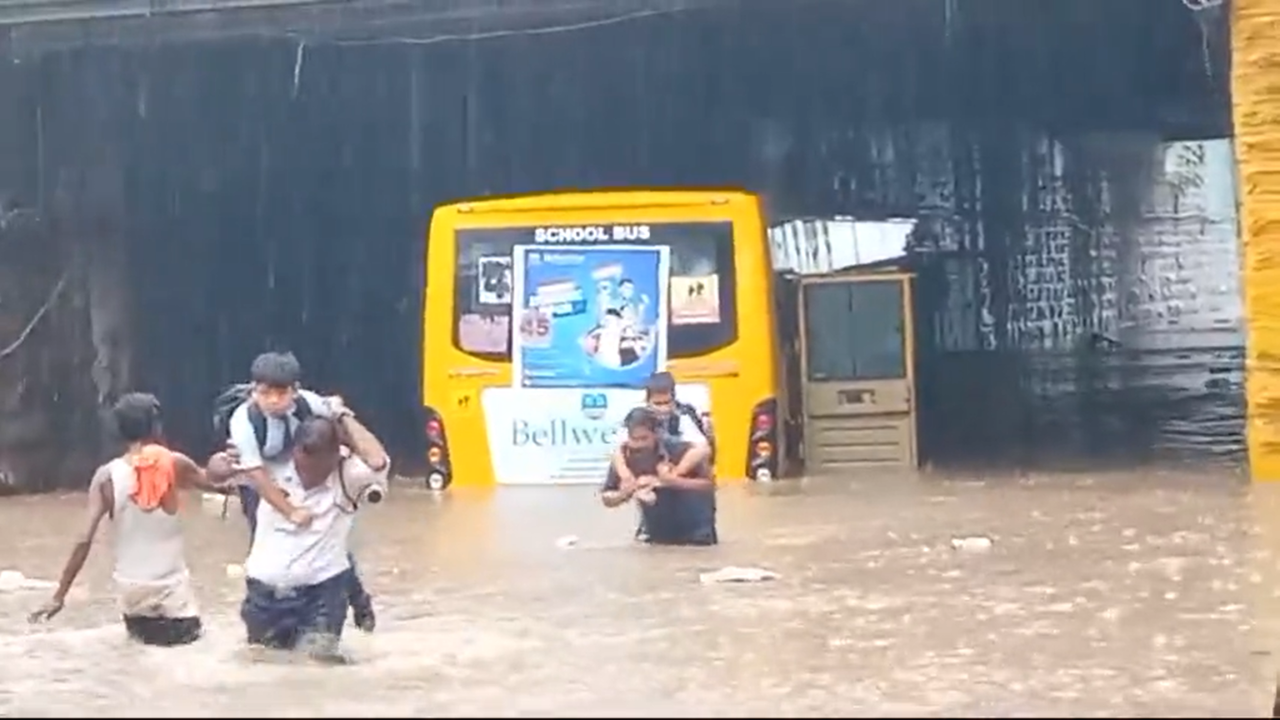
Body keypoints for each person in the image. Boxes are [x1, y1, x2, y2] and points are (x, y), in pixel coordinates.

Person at [28, 393, 240, 646]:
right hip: (170, 588)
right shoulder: (174, 463)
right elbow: (215, 482)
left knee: (142, 658)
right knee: (188, 658)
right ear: (156, 426)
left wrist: (59, 595)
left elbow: (84, 539)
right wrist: (228, 465)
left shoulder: (105, 477)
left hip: (131, 591)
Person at [224, 351, 378, 632]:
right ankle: (268, 611)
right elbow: (255, 474)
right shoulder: (243, 421)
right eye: (264, 392)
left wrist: (351, 471)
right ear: (253, 390)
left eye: (281, 393)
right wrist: (289, 510)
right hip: (263, 479)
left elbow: (340, 433)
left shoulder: (313, 405)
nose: (273, 400)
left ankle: (358, 600)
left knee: (329, 543)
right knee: (269, 545)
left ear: (295, 391)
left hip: (307, 473)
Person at [239, 414, 389, 661]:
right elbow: (215, 473)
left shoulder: (349, 477)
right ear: (295, 452)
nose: (308, 477)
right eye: (302, 467)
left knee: (317, 668)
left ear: (336, 455)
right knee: (264, 668)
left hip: (321, 596)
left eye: (317, 470)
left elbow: (377, 460)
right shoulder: (269, 468)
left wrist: (343, 416)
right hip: (264, 596)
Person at [601, 407, 717, 546]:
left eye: (644, 438)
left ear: (656, 434)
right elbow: (607, 498)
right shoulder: (624, 458)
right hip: (657, 535)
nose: (638, 444)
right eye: (634, 439)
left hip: (697, 532)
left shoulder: (681, 451)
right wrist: (625, 493)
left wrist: (671, 482)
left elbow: (709, 485)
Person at [609, 371, 712, 498]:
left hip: (680, 467)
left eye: (667, 402)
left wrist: (674, 474)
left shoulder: (684, 414)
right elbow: (617, 448)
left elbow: (703, 449)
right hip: (650, 465)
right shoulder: (637, 415)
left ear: (674, 398)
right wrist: (626, 476)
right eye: (657, 404)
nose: (663, 408)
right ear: (648, 401)